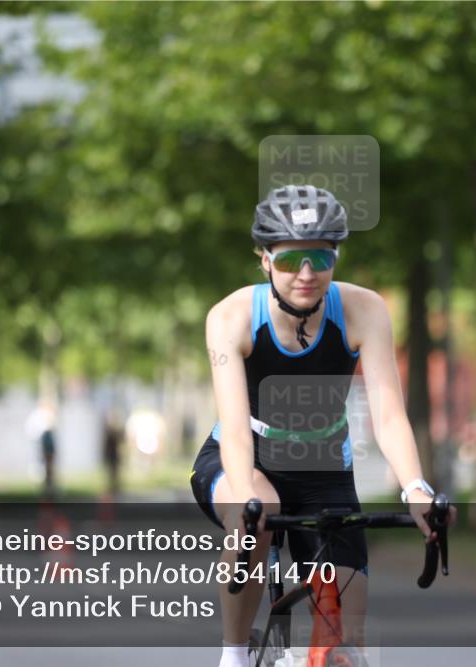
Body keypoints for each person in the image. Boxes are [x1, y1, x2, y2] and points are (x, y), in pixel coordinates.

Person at [189, 185, 454, 667]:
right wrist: (248, 499)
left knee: (348, 639)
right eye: (291, 262)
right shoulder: (230, 317)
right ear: (265, 260)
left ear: (336, 257)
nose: (307, 275)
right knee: (258, 512)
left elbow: (389, 414)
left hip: (323, 464)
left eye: (321, 259)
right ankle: (234, 656)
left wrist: (416, 488)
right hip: (243, 454)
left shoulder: (364, 310)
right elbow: (233, 426)